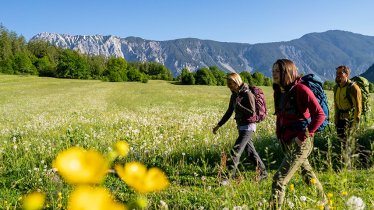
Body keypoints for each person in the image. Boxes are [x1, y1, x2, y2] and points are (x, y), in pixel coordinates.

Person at [270, 59, 327, 209]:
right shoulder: (279, 90)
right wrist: (278, 132)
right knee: (308, 176)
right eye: (273, 70)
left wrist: (302, 137)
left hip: (301, 141)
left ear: (287, 72)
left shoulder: (301, 89)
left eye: (278, 71)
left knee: (279, 179)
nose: (274, 73)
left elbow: (320, 115)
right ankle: (325, 204)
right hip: (286, 139)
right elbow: (280, 114)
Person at [213, 73, 267, 181]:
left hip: (248, 126)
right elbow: (229, 112)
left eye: (230, 83)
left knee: (235, 151)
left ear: (236, 82)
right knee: (250, 152)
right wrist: (219, 125)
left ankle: (227, 178)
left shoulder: (247, 94)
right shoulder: (234, 95)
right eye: (227, 83)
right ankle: (263, 173)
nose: (228, 86)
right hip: (241, 126)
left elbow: (252, 113)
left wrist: (239, 106)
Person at [334, 65, 362, 169]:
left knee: (350, 142)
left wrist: (356, 122)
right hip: (340, 119)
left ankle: (353, 164)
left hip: (350, 119)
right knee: (342, 142)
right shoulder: (336, 87)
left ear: (347, 75)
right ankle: (345, 163)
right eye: (337, 74)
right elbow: (336, 105)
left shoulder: (353, 88)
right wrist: (336, 119)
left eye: (340, 73)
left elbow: (358, 107)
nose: (338, 76)